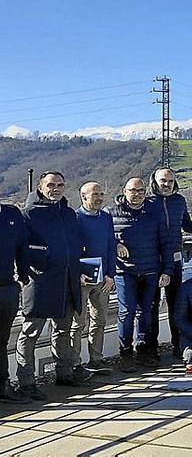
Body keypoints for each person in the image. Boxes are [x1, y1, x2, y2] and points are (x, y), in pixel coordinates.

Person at [15, 171, 88, 401]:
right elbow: (21, 248)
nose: (55, 188)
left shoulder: (68, 214)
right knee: (30, 333)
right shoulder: (28, 214)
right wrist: (34, 266)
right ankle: (26, 382)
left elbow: (76, 246)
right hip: (39, 283)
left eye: (59, 185)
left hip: (67, 281)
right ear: (40, 186)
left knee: (62, 330)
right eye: (50, 185)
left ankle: (64, 373)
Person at [107, 177, 173, 372]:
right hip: (124, 271)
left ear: (145, 193)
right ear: (124, 191)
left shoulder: (155, 214)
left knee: (146, 313)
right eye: (132, 190)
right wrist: (115, 244)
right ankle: (125, 352)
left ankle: (143, 350)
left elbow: (166, 243)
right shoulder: (111, 213)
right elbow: (104, 239)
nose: (136, 194)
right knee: (126, 312)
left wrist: (167, 270)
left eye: (140, 191)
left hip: (151, 270)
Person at [146, 167, 192, 360]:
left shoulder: (179, 201)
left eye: (169, 181)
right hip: (152, 259)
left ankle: (178, 344)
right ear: (154, 181)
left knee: (176, 304)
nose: (166, 184)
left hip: (175, 259)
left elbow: (186, 224)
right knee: (151, 305)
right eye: (162, 181)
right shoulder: (147, 201)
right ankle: (151, 347)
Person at [72, 182, 117, 375]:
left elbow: (110, 246)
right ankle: (75, 364)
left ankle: (96, 360)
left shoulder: (106, 217)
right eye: (95, 194)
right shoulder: (74, 218)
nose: (99, 197)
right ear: (83, 197)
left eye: (101, 194)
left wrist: (111, 275)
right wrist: (77, 273)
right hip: (81, 280)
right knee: (78, 324)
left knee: (99, 321)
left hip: (102, 279)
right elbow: (71, 249)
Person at [0, 199, 30, 403]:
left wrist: (24, 272)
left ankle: (3, 386)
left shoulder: (11, 214)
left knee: (2, 340)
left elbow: (22, 245)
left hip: (7, 287)